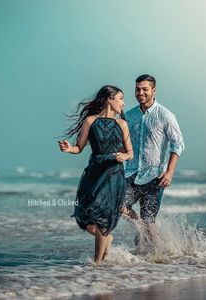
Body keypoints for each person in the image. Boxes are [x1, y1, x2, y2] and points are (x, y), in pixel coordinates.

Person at [58, 85, 133, 265]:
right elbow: (79, 147)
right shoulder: (90, 121)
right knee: (84, 216)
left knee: (102, 219)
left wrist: (124, 155)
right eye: (120, 98)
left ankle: (97, 264)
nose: (123, 103)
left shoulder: (122, 124)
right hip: (94, 173)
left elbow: (130, 152)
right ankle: (107, 238)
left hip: (113, 175)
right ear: (109, 99)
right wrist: (69, 149)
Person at [121, 74, 185, 249]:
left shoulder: (165, 115)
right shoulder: (129, 116)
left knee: (149, 221)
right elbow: (120, 142)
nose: (140, 93)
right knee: (119, 206)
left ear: (154, 90)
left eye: (144, 89)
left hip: (154, 177)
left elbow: (178, 145)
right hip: (131, 174)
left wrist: (170, 172)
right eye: (137, 89)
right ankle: (139, 226)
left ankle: (160, 256)